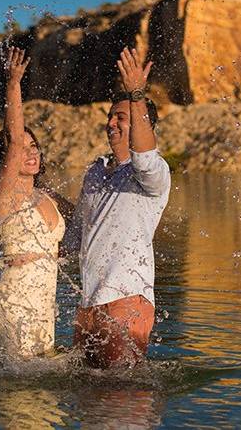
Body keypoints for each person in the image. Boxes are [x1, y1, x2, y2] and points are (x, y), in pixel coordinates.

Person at [65, 47, 171, 368]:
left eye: (120, 117)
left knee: (124, 399)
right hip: (89, 305)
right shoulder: (95, 172)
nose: (111, 123)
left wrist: (136, 94)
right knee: (87, 397)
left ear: (143, 126)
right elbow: (76, 236)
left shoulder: (153, 175)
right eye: (110, 116)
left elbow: (145, 157)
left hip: (127, 299)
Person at [0, 46, 66, 360]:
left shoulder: (47, 198)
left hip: (44, 304)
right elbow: (13, 138)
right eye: (21, 148)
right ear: (6, 159)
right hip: (14, 303)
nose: (30, 152)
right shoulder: (7, 195)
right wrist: (13, 84)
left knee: (45, 404)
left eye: (35, 146)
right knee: (18, 401)